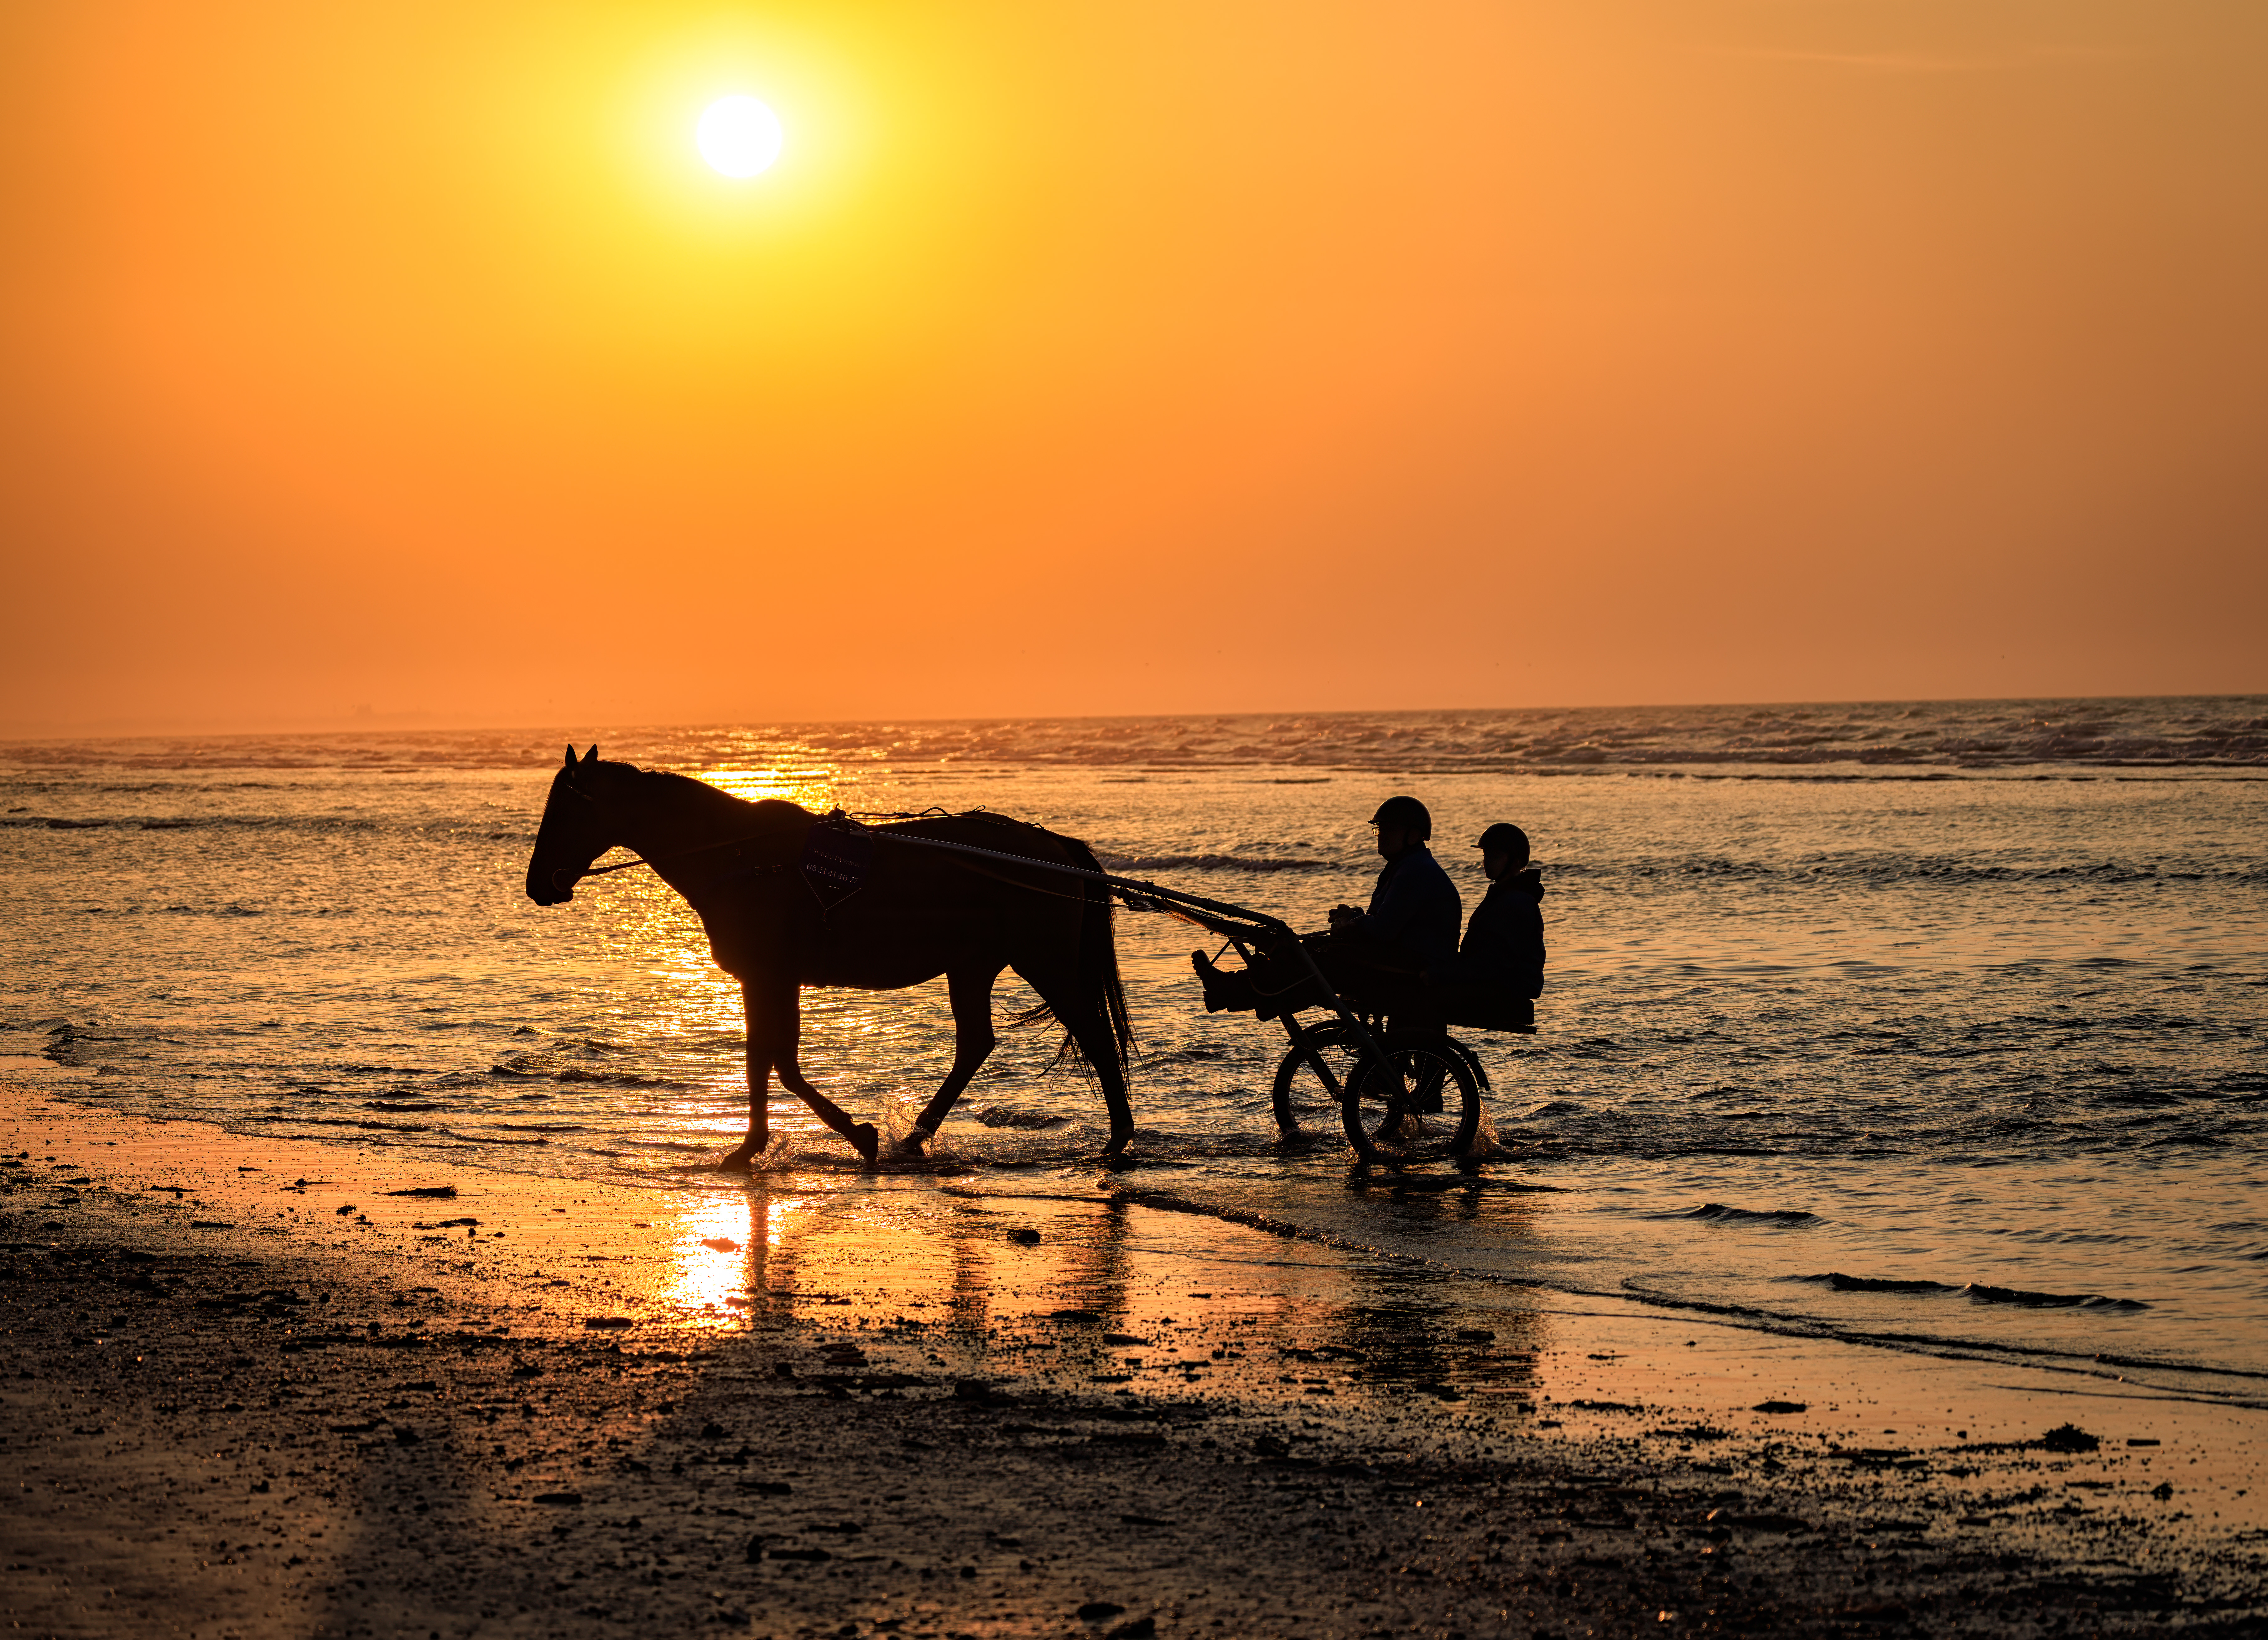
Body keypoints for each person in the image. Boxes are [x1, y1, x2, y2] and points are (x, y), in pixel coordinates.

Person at [1193, 796, 1460, 1019]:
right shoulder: (1405, 867)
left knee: (1318, 960)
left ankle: (1242, 990)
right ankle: (1243, 989)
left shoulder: (1415, 872)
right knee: (1312, 948)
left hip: (1413, 970)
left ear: (1414, 835)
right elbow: (1385, 921)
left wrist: (1354, 922)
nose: (1380, 837)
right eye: (1379, 830)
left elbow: (1385, 930)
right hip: (1398, 958)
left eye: (1389, 830)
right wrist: (1353, 917)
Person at [1423, 821, 1546, 1026]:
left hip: (1508, 987)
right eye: (1486, 855)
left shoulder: (1516, 903)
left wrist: (1443, 973)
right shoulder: (1506, 895)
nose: (1487, 862)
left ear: (1515, 863)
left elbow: (1494, 963)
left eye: (1495, 856)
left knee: (1418, 998)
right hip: (1501, 981)